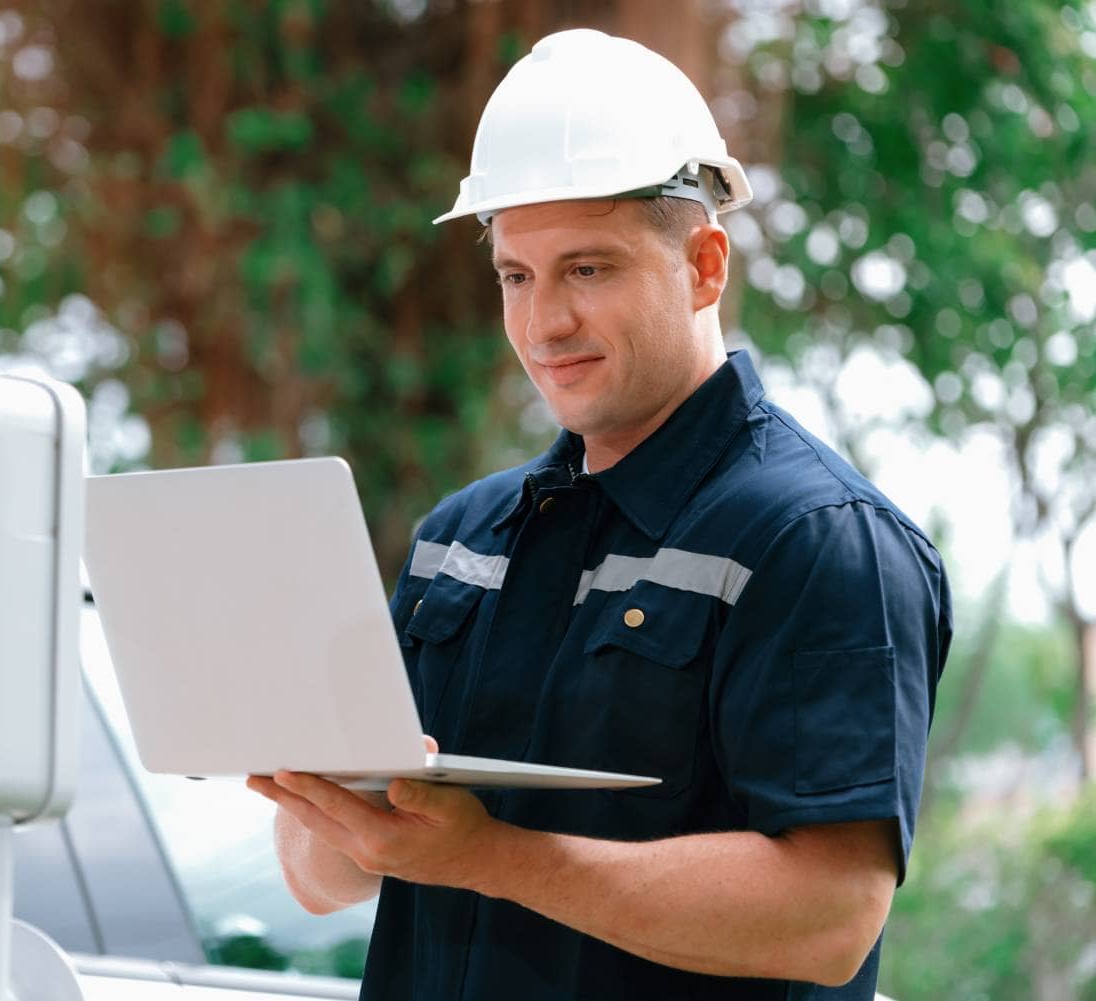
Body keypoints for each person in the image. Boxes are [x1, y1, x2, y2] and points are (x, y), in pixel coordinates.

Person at [247, 28, 950, 1001]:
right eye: (516, 275)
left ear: (705, 266)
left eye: (589, 268)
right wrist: (326, 797)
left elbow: (830, 913)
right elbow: (322, 879)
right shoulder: (462, 539)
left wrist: (490, 855)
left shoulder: (816, 540)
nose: (544, 325)